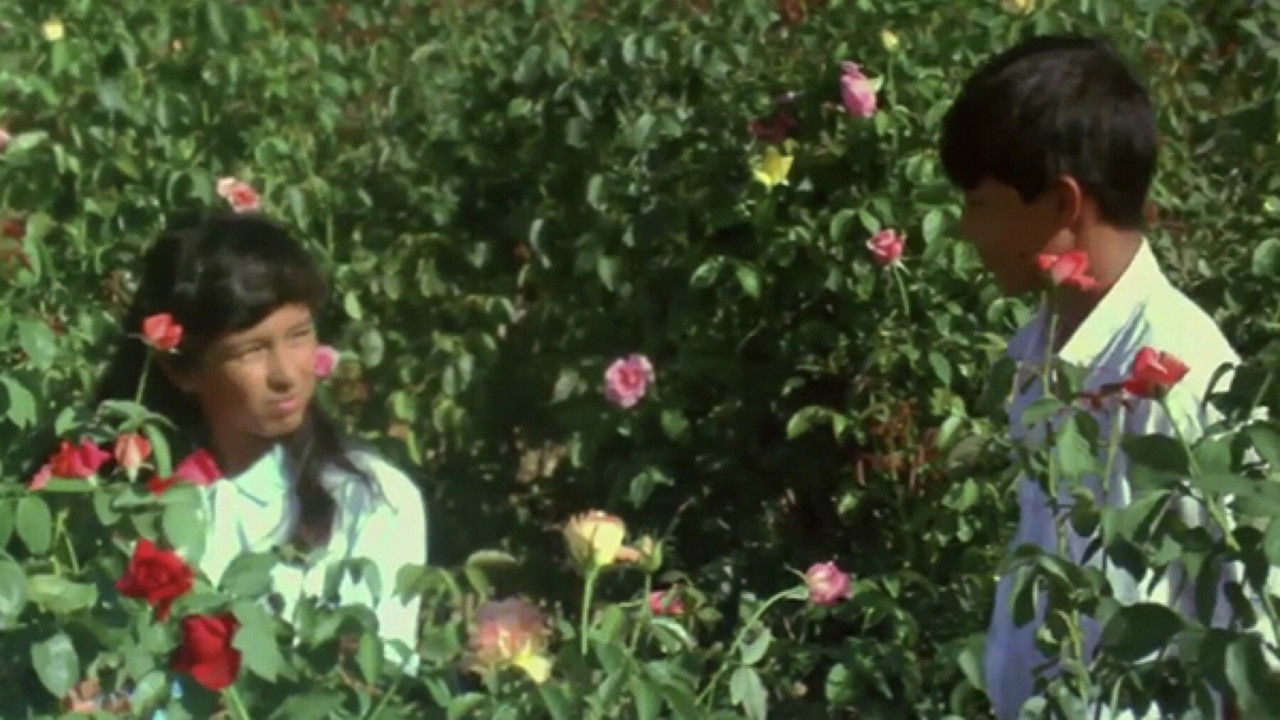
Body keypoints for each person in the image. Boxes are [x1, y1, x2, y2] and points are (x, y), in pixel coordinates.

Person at [939, 35, 1242, 717]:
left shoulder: (1178, 374)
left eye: (980, 203)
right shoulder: (1043, 352)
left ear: (1061, 206)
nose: (965, 229)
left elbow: (1254, 641)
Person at [97, 212, 427, 665]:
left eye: (299, 335)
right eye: (251, 349)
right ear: (182, 369)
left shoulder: (373, 499)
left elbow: (380, 683)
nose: (287, 375)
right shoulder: (123, 503)